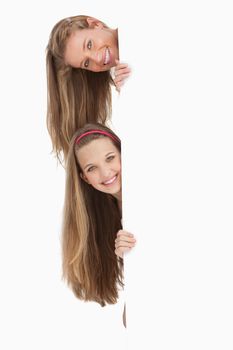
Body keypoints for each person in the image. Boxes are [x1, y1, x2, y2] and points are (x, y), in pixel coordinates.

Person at [62, 123, 136, 327]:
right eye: (91, 168)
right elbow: (129, 321)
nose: (105, 173)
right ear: (84, 178)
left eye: (110, 158)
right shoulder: (107, 215)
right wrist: (130, 259)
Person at [46, 15, 131, 161]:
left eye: (89, 45)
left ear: (95, 24)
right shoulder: (125, 83)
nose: (97, 59)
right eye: (86, 63)